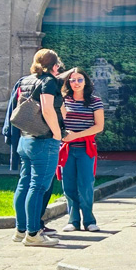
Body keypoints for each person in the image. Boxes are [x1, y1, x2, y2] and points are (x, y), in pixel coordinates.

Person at [12, 49, 66, 247]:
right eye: (57, 63)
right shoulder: (48, 81)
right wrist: (57, 133)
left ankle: (20, 230)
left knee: (24, 184)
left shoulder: (26, 80)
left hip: (25, 139)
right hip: (43, 140)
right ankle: (33, 234)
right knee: (38, 186)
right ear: (53, 64)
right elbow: (47, 108)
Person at [57, 67, 105, 232]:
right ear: (68, 82)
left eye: (79, 80)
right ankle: (73, 220)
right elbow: (59, 121)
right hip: (67, 150)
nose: (76, 83)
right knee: (68, 185)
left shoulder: (95, 101)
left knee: (85, 185)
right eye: (72, 80)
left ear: (86, 82)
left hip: (85, 149)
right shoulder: (63, 100)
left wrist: (76, 135)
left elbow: (99, 126)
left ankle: (89, 220)